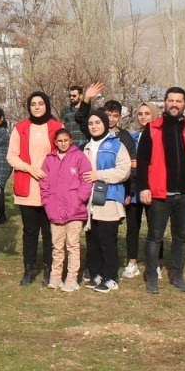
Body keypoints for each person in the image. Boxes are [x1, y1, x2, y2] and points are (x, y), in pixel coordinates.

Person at [134, 87, 185, 295]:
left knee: (181, 238)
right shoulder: (152, 129)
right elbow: (142, 162)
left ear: (184, 104)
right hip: (160, 195)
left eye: (179, 101)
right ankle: (152, 277)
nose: (174, 104)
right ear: (165, 103)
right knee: (155, 237)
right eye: (171, 100)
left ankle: (177, 276)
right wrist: (143, 187)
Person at [6, 91, 61, 286]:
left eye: (40, 103)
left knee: (48, 232)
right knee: (30, 231)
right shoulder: (20, 128)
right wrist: (30, 169)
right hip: (27, 187)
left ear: (47, 105)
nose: (37, 107)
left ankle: (48, 269)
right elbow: (11, 156)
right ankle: (28, 270)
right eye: (33, 104)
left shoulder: (57, 127)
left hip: (50, 188)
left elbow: (64, 154)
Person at [80, 112, 131, 292]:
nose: (94, 126)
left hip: (109, 199)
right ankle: (96, 273)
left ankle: (111, 277)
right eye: (91, 123)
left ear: (105, 124)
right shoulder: (85, 147)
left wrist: (99, 175)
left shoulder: (116, 145)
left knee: (107, 240)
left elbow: (123, 171)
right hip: (90, 201)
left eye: (98, 122)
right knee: (92, 240)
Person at [40, 127, 93, 291]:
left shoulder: (79, 157)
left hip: (74, 210)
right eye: (59, 141)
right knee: (57, 246)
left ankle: (72, 277)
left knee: (72, 245)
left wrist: (79, 199)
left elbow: (86, 180)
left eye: (65, 140)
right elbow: (44, 184)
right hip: (55, 209)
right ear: (55, 143)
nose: (63, 143)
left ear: (71, 140)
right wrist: (47, 203)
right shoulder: (49, 159)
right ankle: (56, 276)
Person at [123, 103, 156, 280]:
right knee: (132, 227)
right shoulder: (133, 137)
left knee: (154, 228)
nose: (143, 117)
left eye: (147, 114)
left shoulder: (160, 136)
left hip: (152, 188)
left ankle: (154, 264)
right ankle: (132, 262)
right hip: (134, 189)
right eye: (140, 114)